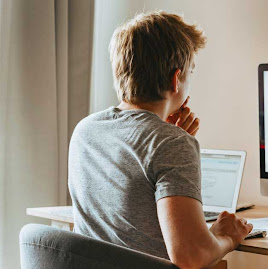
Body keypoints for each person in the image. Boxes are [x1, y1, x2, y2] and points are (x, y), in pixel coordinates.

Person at [68, 10, 252, 268]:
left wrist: (167, 135)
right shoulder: (171, 143)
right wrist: (227, 236)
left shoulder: (85, 131)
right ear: (176, 79)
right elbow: (190, 256)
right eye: (191, 72)